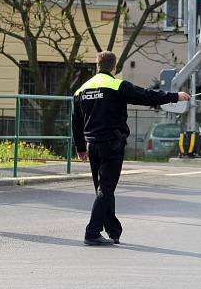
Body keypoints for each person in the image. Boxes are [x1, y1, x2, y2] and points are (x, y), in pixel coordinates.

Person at [72, 51, 190, 246]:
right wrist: (174, 96)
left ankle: (113, 231)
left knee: (103, 189)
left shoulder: (81, 90)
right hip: (112, 143)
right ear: (114, 67)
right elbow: (146, 96)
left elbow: (75, 121)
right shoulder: (117, 85)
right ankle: (92, 232)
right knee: (106, 189)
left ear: (97, 65)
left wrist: (80, 147)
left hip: (92, 145)